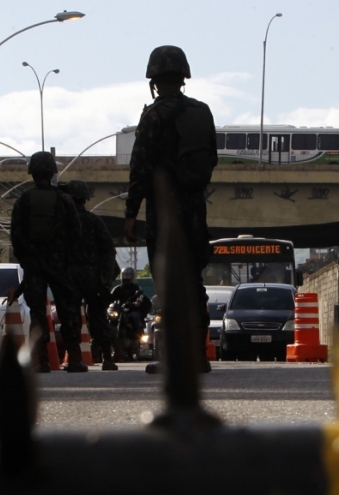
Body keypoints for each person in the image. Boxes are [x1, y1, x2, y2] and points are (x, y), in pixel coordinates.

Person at [123, 45, 217, 374]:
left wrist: (131, 211)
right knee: (193, 281)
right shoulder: (202, 112)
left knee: (168, 283)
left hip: (164, 210)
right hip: (195, 208)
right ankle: (198, 354)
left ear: (154, 80)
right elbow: (212, 159)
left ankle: (176, 358)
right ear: (183, 77)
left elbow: (141, 167)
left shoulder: (154, 115)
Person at [10, 152, 85, 373]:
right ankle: (74, 360)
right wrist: (65, 257)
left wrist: (28, 259)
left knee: (37, 312)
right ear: (53, 172)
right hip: (60, 263)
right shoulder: (65, 199)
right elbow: (76, 233)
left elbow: (16, 234)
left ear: (32, 173)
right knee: (68, 309)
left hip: (34, 265)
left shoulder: (23, 200)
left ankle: (42, 361)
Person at [63, 180, 121, 371]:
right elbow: (108, 251)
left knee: (71, 316)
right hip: (92, 276)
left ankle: (74, 359)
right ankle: (107, 357)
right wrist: (104, 278)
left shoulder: (63, 223)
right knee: (98, 317)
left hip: (70, 274)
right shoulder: (94, 221)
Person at [109, 266, 150, 362]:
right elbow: (110, 299)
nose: (126, 277)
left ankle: (135, 336)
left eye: (129, 275)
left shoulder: (137, 288)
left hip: (132, 310)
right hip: (119, 311)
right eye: (125, 275)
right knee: (109, 320)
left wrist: (135, 303)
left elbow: (140, 299)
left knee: (135, 317)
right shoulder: (117, 288)